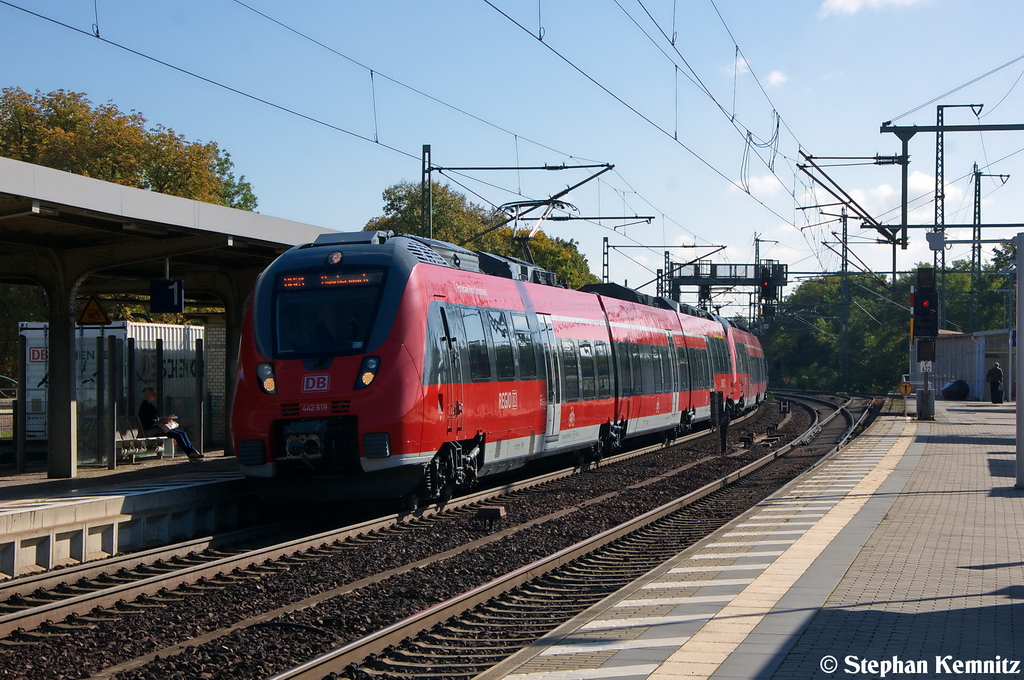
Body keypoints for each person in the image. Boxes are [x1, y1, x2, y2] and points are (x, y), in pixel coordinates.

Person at [138, 387, 203, 461]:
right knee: (178, 435)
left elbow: (154, 419)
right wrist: (160, 421)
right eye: (153, 394)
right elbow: (148, 422)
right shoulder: (144, 407)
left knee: (182, 433)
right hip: (154, 430)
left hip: (158, 428)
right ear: (147, 395)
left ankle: (192, 451)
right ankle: (190, 453)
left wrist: (163, 419)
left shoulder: (149, 405)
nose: (154, 396)